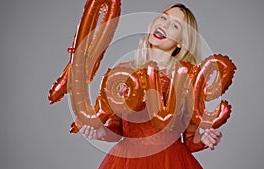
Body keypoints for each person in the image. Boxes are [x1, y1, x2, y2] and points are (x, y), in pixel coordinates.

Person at [80, 3, 222, 169]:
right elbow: (117, 127)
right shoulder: (123, 71)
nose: (165, 24)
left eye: (175, 25)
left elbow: (190, 139)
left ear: (181, 43)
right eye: (164, 18)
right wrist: (101, 132)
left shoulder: (187, 78)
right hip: (127, 160)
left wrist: (204, 139)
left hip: (170, 160)